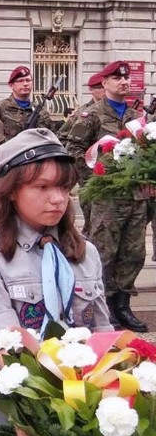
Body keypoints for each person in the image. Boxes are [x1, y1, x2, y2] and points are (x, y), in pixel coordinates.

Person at [0, 128, 113, 362]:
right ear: (11, 190)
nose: (58, 199)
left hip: (86, 379)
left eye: (64, 187)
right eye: (42, 187)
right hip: (23, 378)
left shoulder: (86, 252)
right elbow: (3, 338)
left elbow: (103, 331)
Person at [66, 61, 150, 332]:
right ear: (104, 84)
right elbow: (73, 149)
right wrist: (94, 179)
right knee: (104, 253)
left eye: (126, 78)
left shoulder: (137, 117)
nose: (123, 82)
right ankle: (102, 305)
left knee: (133, 253)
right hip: (106, 199)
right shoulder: (91, 115)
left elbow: (147, 151)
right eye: (116, 78)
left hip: (135, 196)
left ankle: (122, 305)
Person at [57, 72, 106, 236]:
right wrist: (83, 171)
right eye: (99, 87)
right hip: (90, 177)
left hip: (114, 177)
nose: (103, 90)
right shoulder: (83, 113)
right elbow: (62, 138)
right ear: (91, 90)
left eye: (104, 86)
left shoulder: (118, 112)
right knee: (93, 223)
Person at [0, 66, 53, 140]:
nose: (25, 84)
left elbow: (51, 135)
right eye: (21, 81)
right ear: (11, 85)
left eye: (28, 80)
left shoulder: (40, 111)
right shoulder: (0, 108)